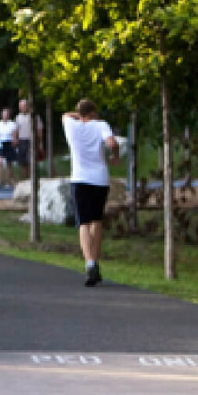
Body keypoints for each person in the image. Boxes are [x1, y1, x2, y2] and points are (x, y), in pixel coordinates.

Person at [62, 98, 119, 287]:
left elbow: (65, 115)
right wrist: (115, 155)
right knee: (97, 221)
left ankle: (90, 263)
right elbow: (111, 143)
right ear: (94, 112)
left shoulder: (71, 125)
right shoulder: (101, 125)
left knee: (83, 223)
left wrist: (80, 116)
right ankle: (95, 262)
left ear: (79, 113)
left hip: (79, 178)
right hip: (99, 179)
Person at [0, 107, 18, 188]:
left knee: (9, 163)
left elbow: (14, 135)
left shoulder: (12, 124)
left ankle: (9, 181)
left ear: (8, 115)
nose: (5, 116)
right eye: (3, 114)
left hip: (9, 143)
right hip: (0, 144)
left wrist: (14, 143)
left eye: (6, 114)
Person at [15, 99, 44, 178]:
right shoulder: (18, 117)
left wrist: (40, 143)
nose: (22, 108)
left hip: (32, 140)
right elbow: (16, 130)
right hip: (22, 140)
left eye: (24, 106)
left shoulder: (34, 117)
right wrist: (15, 139)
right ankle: (25, 178)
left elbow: (39, 130)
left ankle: (32, 178)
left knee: (31, 160)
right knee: (23, 162)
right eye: (21, 106)